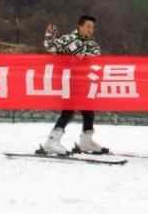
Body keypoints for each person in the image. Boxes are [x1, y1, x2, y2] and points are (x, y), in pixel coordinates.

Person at [37, 16, 108, 155]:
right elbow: (51, 48)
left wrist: (84, 57)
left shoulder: (93, 44)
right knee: (68, 110)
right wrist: (49, 37)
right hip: (67, 81)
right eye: (88, 26)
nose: (91, 30)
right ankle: (51, 141)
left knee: (88, 111)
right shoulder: (67, 39)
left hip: (84, 83)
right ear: (80, 26)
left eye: (92, 27)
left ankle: (86, 141)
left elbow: (97, 60)